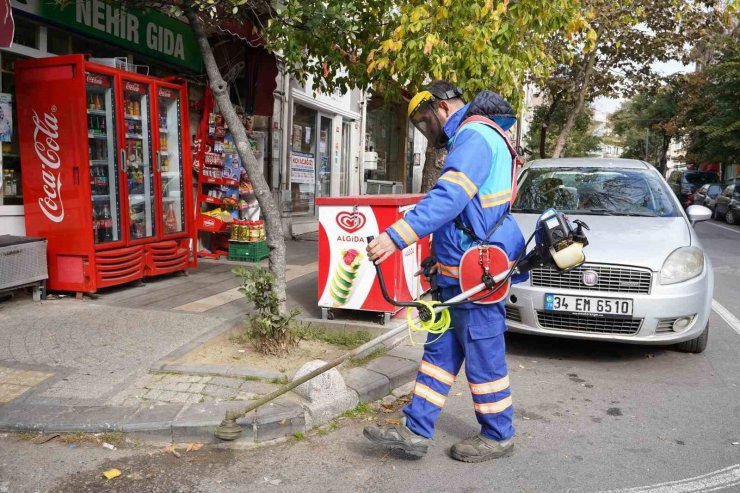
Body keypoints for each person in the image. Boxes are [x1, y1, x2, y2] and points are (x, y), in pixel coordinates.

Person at [364, 80, 526, 463]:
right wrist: (438, 261)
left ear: (443, 108)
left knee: (485, 357)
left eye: (424, 120)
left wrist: (396, 237)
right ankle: (415, 431)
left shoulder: (474, 135)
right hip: (458, 274)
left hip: (478, 278)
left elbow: (450, 197)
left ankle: (499, 435)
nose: (425, 130)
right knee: (439, 353)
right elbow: (466, 215)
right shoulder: (477, 137)